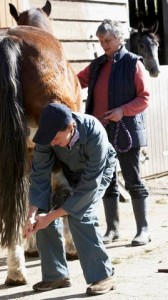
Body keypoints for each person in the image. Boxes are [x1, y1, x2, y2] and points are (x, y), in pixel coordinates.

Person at [23, 102, 117, 296]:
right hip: (68, 168)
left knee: (80, 215)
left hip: (97, 173)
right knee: (42, 212)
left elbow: (89, 187)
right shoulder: (47, 136)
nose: (51, 143)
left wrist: (52, 216)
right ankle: (55, 275)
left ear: (70, 127)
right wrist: (32, 214)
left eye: (56, 138)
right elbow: (40, 176)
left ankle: (103, 276)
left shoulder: (94, 132)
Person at [77, 19, 150, 247]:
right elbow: (75, 80)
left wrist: (122, 110)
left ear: (119, 38)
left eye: (107, 40)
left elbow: (144, 97)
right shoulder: (97, 65)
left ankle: (143, 230)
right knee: (107, 181)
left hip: (126, 130)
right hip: (100, 133)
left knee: (133, 180)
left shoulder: (133, 63)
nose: (103, 45)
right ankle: (112, 229)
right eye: (100, 41)